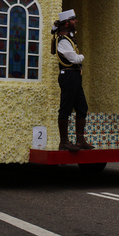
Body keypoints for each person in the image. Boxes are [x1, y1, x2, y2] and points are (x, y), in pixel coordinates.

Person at [51, 9, 94, 151]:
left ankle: (80, 140)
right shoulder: (62, 41)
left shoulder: (68, 39)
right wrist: (81, 56)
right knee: (66, 109)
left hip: (75, 76)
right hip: (68, 76)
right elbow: (74, 58)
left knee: (82, 107)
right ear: (66, 23)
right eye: (73, 19)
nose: (76, 21)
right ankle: (64, 142)